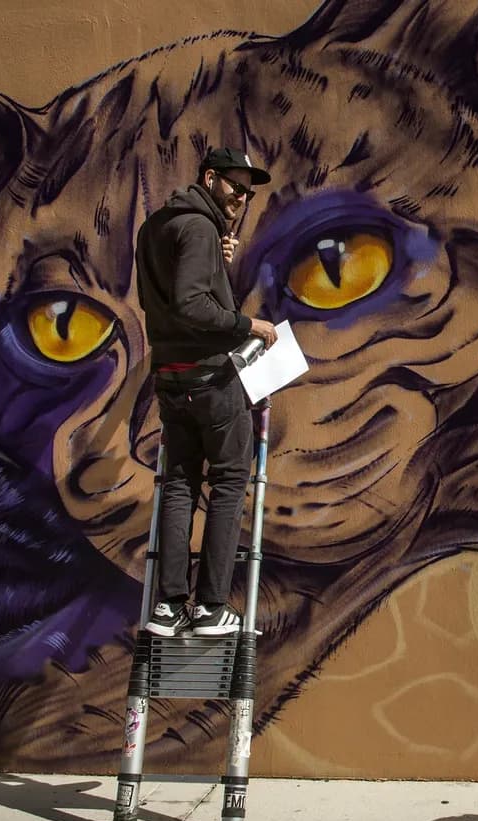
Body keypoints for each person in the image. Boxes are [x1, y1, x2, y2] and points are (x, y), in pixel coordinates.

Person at [135, 146, 278, 638]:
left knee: (179, 484)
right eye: (235, 185)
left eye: (248, 191)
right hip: (211, 379)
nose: (241, 196)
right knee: (230, 480)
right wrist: (249, 325)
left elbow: (169, 298)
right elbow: (193, 307)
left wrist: (216, 259)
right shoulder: (197, 228)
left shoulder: (159, 226)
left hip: (171, 378)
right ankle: (212, 607)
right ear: (210, 177)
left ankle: (168, 606)